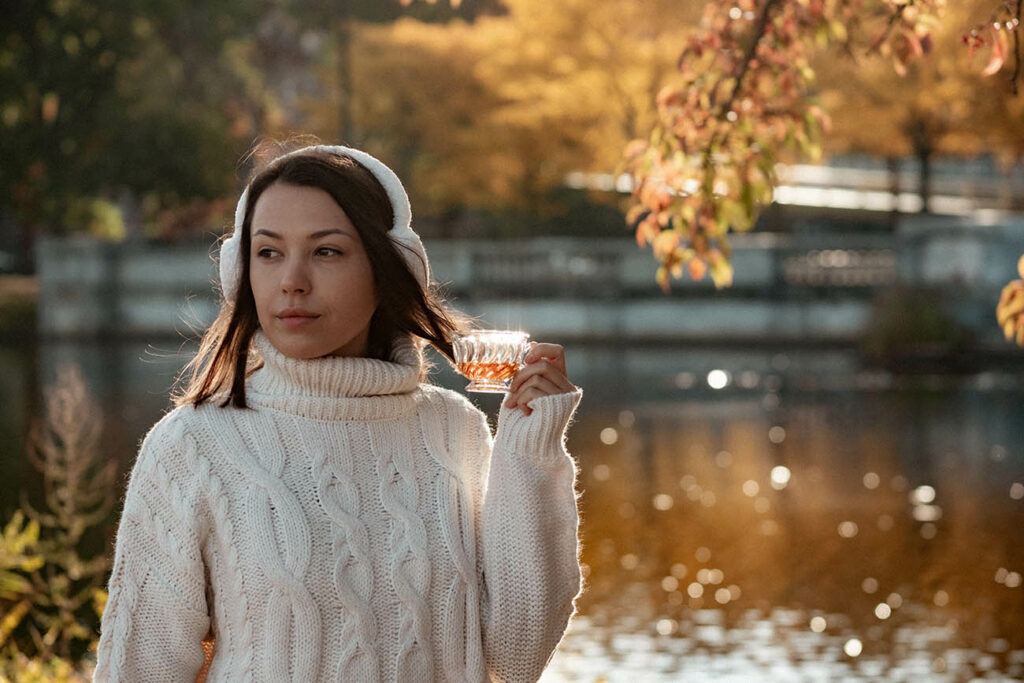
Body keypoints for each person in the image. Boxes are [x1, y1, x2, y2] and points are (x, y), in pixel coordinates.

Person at [92, 142, 584, 682]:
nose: (292, 281)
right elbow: (137, 671)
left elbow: (517, 654)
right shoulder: (192, 446)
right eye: (268, 252)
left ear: (387, 268)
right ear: (242, 271)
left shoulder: (454, 429)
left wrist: (531, 451)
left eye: (326, 251)